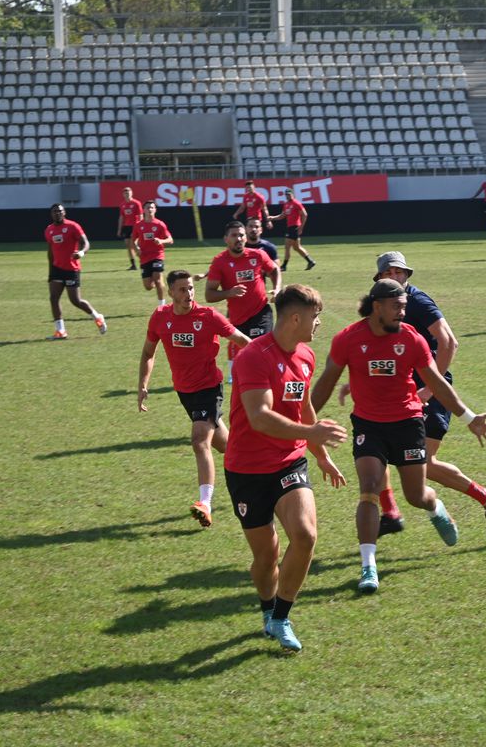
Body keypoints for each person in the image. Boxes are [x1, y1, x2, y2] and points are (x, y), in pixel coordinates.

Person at [310, 279, 486, 594]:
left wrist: (469, 418)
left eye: (404, 306)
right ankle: (368, 567)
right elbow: (326, 382)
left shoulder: (412, 338)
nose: (402, 312)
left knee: (416, 496)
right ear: (377, 307)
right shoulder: (348, 338)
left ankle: (435, 507)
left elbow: (437, 383)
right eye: (396, 307)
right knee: (369, 488)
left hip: (408, 425)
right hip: (369, 426)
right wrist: (302, 422)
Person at [344, 252, 486, 540]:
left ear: (407, 275)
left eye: (399, 272)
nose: (395, 277)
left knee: (424, 463)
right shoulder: (382, 305)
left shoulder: (417, 302)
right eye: (389, 273)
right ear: (379, 278)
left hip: (428, 392)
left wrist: (429, 389)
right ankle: (391, 513)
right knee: (378, 450)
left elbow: (449, 342)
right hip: (402, 392)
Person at [223, 284, 347, 652]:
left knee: (305, 535)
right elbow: (259, 417)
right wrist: (312, 433)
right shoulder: (252, 357)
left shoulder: (306, 355)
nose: (318, 323)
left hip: (289, 462)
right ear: (295, 318)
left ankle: (281, 617)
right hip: (247, 469)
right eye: (315, 316)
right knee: (266, 557)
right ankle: (267, 609)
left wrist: (320, 453)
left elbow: (303, 406)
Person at [139, 270, 252, 527]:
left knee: (199, 441)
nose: (188, 293)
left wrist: (271, 362)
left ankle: (205, 503)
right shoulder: (160, 317)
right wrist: (143, 384)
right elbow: (148, 353)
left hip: (209, 388)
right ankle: (257, 462)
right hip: (185, 392)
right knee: (228, 447)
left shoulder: (208, 316)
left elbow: (242, 340)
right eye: (182, 289)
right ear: (170, 292)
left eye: (190, 288)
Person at [205, 220, 282, 380]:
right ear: (226, 239)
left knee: (260, 347)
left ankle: (267, 379)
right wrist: (229, 292)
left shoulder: (257, 255)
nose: (238, 239)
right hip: (237, 317)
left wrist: (277, 288)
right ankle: (235, 378)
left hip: (261, 312)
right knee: (241, 351)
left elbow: (274, 270)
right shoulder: (219, 262)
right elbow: (209, 295)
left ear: (245, 238)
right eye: (234, 235)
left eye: (241, 235)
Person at [44, 204, 107, 340]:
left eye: (60, 211)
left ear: (64, 212)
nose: (57, 213)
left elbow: (86, 243)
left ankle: (97, 317)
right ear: (51, 214)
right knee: (53, 298)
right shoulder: (49, 230)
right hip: (56, 269)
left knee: (75, 300)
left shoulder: (73, 226)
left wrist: (81, 253)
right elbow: (50, 252)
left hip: (71, 269)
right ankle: (60, 330)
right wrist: (50, 271)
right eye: (54, 212)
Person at [133, 201, 173, 307]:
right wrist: (136, 249)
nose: (150, 209)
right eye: (147, 207)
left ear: (155, 210)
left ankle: (162, 306)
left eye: (152, 207)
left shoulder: (160, 224)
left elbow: (170, 239)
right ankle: (158, 283)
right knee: (148, 286)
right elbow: (133, 240)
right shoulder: (138, 225)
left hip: (157, 255)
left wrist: (161, 241)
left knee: (158, 280)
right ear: (144, 210)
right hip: (144, 257)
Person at [267, 189, 316, 271]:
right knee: (297, 247)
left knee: (287, 246)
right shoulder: (286, 204)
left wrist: (301, 227)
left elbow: (305, 214)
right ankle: (310, 261)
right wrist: (273, 218)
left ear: (293, 194)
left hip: (294, 227)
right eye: (286, 195)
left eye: (289, 194)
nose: (288, 196)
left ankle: (284, 266)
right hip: (290, 227)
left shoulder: (296, 203)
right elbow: (282, 216)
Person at [117, 186, 144, 270]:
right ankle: (133, 264)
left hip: (135, 226)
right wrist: (119, 229)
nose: (127, 194)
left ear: (132, 193)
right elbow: (121, 217)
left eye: (128, 193)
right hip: (126, 227)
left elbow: (140, 216)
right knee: (128, 245)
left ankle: (144, 261)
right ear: (123, 194)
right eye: (125, 193)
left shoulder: (136, 203)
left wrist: (140, 227)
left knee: (134, 244)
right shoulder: (122, 205)